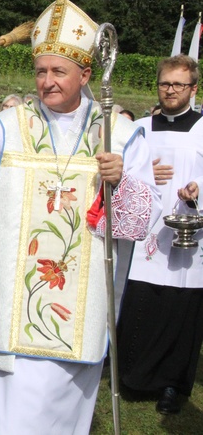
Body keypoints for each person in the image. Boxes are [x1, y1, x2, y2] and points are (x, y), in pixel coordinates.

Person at [0, 0, 161, 434]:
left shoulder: (118, 133)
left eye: (59, 71)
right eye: (41, 71)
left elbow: (140, 219)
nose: (47, 81)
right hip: (12, 304)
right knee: (6, 411)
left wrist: (120, 183)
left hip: (77, 308)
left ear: (86, 74)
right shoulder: (10, 124)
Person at [116, 54, 203, 415]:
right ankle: (132, 377)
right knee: (141, 299)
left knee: (181, 308)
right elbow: (121, 170)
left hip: (189, 233)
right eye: (165, 83)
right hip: (147, 234)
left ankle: (172, 384)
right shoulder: (141, 129)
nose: (170, 90)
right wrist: (142, 169)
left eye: (178, 85)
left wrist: (197, 189)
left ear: (193, 89)